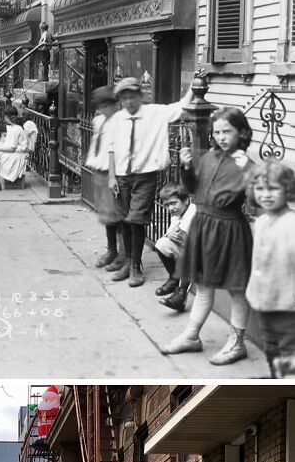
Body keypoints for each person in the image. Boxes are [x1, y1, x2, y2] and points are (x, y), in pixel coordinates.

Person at [160, 106, 254, 364]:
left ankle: (237, 342)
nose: (222, 136)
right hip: (204, 226)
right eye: (218, 132)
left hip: (230, 228)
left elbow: (256, 201)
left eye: (228, 131)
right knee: (203, 286)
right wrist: (187, 167)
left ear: (241, 133)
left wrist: (249, 172)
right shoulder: (210, 157)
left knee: (237, 289)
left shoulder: (245, 162)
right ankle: (191, 336)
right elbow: (192, 189)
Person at [106, 76, 196, 287]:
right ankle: (128, 262)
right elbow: (110, 148)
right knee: (124, 219)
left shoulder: (156, 113)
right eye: (124, 98)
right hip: (121, 176)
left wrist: (194, 83)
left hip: (144, 176)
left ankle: (136, 266)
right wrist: (111, 176)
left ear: (140, 96)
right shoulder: (116, 120)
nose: (128, 102)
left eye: (132, 97)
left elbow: (183, 105)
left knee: (137, 219)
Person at [245, 160, 295, 377]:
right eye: (260, 189)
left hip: (288, 304)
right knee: (270, 345)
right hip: (265, 301)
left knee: (289, 350)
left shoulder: (291, 225)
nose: (266, 194)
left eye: (273, 188)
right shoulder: (262, 221)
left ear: (288, 190)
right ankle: (277, 375)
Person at [85, 86, 121, 268]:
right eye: (100, 106)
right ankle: (112, 249)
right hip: (99, 170)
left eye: (106, 105)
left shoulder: (120, 122)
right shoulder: (98, 121)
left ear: (114, 105)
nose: (102, 109)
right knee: (106, 215)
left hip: (112, 172)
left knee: (117, 214)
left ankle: (122, 254)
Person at [154, 181, 196, 313]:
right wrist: (170, 234)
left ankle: (181, 294)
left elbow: (184, 235)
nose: (170, 208)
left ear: (186, 200)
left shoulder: (192, 211)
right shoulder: (177, 215)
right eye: (167, 205)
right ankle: (174, 278)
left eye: (173, 203)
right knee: (161, 244)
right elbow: (170, 234)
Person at [0, 106, 28, 190]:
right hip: (15, 151)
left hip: (18, 154)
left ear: (7, 117)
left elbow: (12, 148)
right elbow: (0, 127)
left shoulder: (15, 129)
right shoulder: (13, 127)